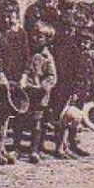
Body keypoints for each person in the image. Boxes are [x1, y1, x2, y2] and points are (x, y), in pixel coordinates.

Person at [0, 0, 29, 165]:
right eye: (4, 16)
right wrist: (0, 74)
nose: (7, 20)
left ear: (16, 16)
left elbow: (26, 56)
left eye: (10, 16)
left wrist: (24, 75)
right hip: (0, 78)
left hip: (15, 78)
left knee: (7, 114)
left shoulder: (21, 33)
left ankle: (2, 146)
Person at [49, 7, 90, 160]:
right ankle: (59, 147)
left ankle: (72, 143)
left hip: (76, 86)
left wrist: (78, 88)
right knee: (61, 118)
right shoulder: (56, 47)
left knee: (75, 116)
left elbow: (80, 69)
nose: (67, 32)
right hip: (61, 86)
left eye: (70, 29)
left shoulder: (76, 46)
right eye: (64, 29)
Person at [19, 21, 58, 163]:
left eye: (40, 37)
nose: (35, 38)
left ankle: (34, 150)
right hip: (25, 92)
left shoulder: (47, 57)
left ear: (47, 40)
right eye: (34, 35)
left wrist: (44, 85)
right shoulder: (26, 51)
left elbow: (52, 76)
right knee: (20, 119)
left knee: (37, 121)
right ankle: (16, 147)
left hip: (39, 94)